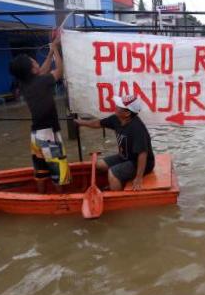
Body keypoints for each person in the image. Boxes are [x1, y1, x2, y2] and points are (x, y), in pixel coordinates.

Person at [9, 34, 71, 193]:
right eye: (33, 61)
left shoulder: (24, 83)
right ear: (32, 69)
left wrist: (51, 51)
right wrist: (56, 49)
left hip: (35, 136)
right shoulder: (42, 82)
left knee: (41, 170)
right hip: (49, 134)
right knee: (58, 169)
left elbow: (42, 70)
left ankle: (41, 196)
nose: (36, 61)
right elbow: (59, 70)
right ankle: (62, 202)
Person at [75, 95, 155, 191]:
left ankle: (116, 195)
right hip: (125, 157)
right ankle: (116, 184)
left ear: (127, 113)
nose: (115, 106)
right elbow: (98, 123)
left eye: (119, 106)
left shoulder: (137, 128)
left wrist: (138, 177)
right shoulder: (116, 119)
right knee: (99, 165)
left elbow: (142, 154)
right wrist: (80, 123)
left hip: (140, 163)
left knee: (112, 173)